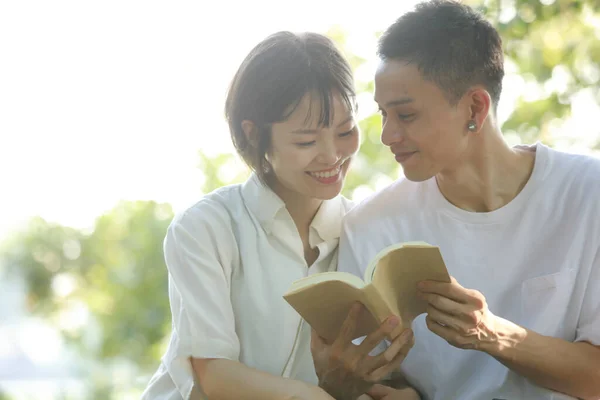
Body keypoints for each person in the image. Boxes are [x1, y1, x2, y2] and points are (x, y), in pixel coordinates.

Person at [311, 1, 600, 399]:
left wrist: (491, 333)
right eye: (383, 115)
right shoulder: (371, 225)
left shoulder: (589, 194)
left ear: (475, 108)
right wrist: (351, 385)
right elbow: (382, 383)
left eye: (406, 116)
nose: (387, 135)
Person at [141, 31, 416, 400]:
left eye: (346, 131)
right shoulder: (205, 228)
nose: (332, 155)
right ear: (254, 135)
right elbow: (216, 376)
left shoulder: (364, 230)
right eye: (306, 141)